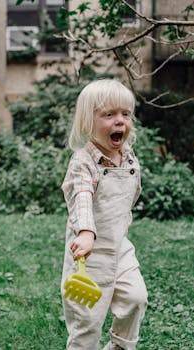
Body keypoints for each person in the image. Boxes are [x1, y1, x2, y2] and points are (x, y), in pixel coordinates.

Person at [61, 79, 148, 350]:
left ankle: (120, 346)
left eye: (125, 114)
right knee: (87, 319)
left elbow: (129, 197)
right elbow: (82, 197)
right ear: (89, 121)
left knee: (136, 298)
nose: (119, 121)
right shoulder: (83, 163)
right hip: (88, 254)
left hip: (119, 247)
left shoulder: (129, 158)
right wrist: (86, 232)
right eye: (108, 115)